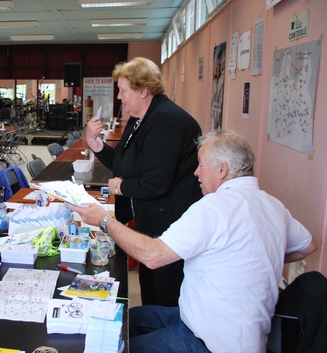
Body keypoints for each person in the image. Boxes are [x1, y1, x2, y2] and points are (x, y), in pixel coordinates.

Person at [70, 129, 317, 352]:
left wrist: (104, 220)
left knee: (110, 344)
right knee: (127, 318)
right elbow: (307, 245)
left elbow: (153, 256)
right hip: (207, 324)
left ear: (221, 170)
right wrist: (256, 257)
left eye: (201, 165)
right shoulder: (272, 205)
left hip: (208, 343)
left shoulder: (215, 207)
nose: (196, 172)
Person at [85, 57, 202, 307]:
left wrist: (119, 187)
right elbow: (123, 162)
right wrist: (96, 144)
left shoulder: (164, 122)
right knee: (150, 289)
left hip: (170, 222)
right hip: (151, 217)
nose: (119, 97)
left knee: (165, 294)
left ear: (143, 90)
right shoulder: (142, 118)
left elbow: (155, 182)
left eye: (123, 90)